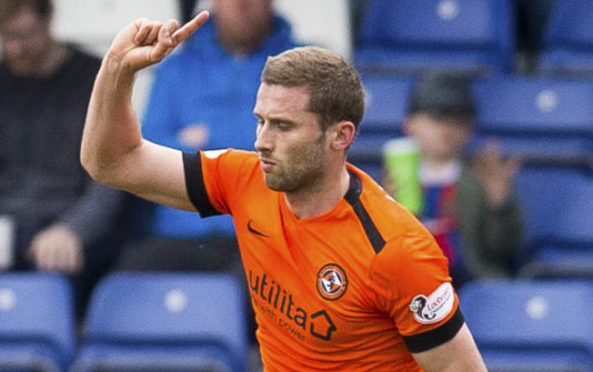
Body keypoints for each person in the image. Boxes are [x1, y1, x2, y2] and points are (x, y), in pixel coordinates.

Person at [80, 11, 487, 370]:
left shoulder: (395, 250)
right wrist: (117, 68)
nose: (261, 140)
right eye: (261, 121)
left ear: (340, 136)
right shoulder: (243, 179)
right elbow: (111, 162)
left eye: (284, 126)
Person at [113, 0, 299, 274]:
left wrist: (197, 146)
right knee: (126, 283)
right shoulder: (176, 68)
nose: (242, 5)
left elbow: (308, 147)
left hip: (271, 232)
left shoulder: (303, 66)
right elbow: (143, 149)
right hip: (181, 228)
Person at [0, 0, 123, 318]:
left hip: (69, 226)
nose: (14, 49)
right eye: (4, 38)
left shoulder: (94, 78)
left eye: (22, 36)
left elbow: (111, 174)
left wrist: (73, 229)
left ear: (48, 17)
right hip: (7, 226)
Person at [382, 73, 522, 288]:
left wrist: (500, 205)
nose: (446, 128)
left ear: (470, 129)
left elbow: (504, 249)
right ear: (410, 124)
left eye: (457, 120)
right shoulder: (392, 181)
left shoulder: (481, 178)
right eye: (436, 118)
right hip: (409, 286)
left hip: (468, 285)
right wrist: (383, 211)